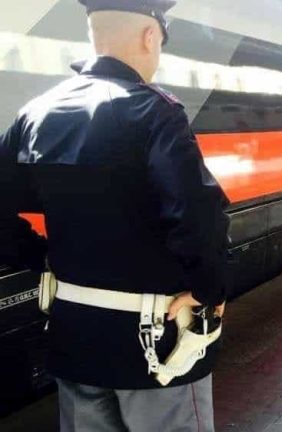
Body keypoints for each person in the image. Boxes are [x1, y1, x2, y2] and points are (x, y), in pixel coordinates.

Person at [0, 1, 231, 430]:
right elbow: (199, 216)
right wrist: (208, 289)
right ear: (150, 36)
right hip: (155, 349)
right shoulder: (156, 111)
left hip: (74, 338)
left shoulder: (34, 113)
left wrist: (41, 256)